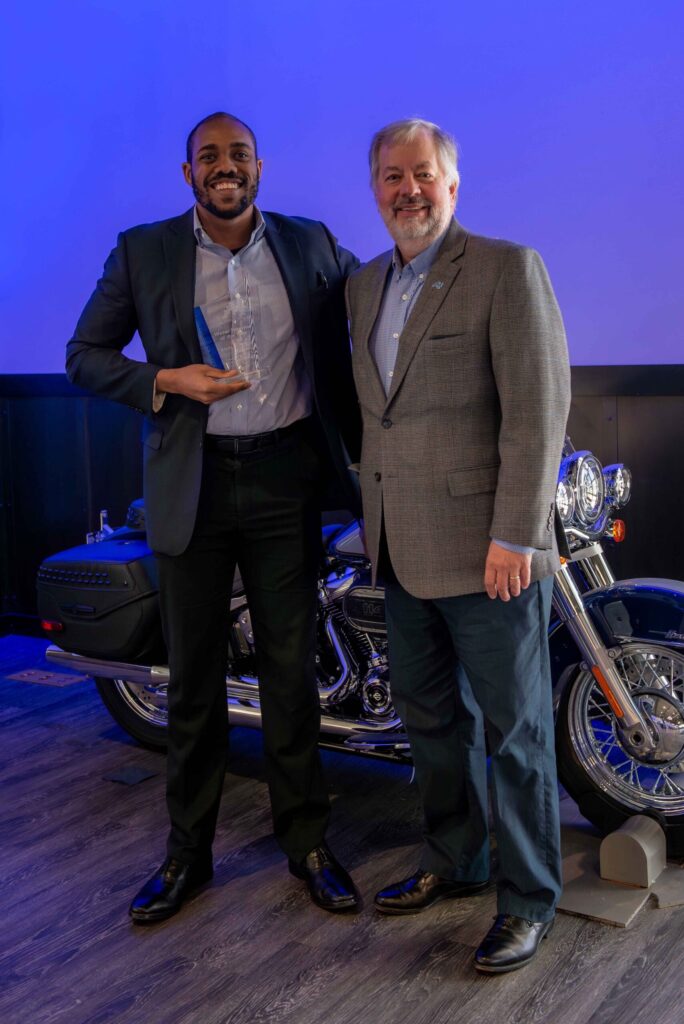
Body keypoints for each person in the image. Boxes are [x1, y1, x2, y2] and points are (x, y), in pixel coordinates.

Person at [66, 111, 362, 923]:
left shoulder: (310, 244)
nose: (223, 167)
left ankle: (306, 843)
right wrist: (166, 382)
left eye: (237, 155)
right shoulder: (143, 250)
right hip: (191, 484)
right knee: (192, 683)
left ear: (260, 167)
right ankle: (186, 857)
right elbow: (83, 356)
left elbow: (374, 305)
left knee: (289, 675)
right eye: (208, 157)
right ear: (187, 173)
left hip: (285, 481)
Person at [346, 118, 571, 973]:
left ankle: (529, 900)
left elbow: (539, 410)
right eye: (393, 176)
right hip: (400, 551)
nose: (409, 189)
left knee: (516, 736)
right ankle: (457, 859)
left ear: (454, 182)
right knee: (433, 724)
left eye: (424, 174)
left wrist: (517, 532)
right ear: (375, 189)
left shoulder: (507, 269)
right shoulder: (364, 287)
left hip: (491, 554)